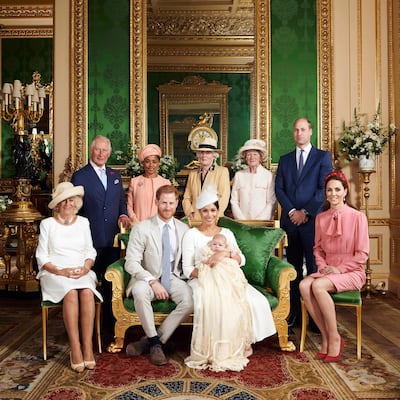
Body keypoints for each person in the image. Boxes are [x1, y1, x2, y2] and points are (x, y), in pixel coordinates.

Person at [182, 185, 276, 370]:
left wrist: (228, 256)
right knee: (213, 301)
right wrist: (209, 273)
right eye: (205, 211)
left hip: (230, 277)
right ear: (199, 212)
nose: (209, 215)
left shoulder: (226, 233)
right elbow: (187, 269)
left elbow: (242, 259)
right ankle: (214, 349)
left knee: (250, 300)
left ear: (218, 212)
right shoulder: (191, 234)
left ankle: (237, 344)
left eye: (213, 210)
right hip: (202, 279)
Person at [299, 171, 369, 362]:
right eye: (329, 190)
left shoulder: (358, 217)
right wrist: (322, 267)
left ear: (345, 191)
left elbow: (362, 254)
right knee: (304, 285)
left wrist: (339, 269)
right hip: (327, 270)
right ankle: (326, 336)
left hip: (351, 271)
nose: (333, 194)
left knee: (318, 286)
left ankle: (335, 337)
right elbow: (318, 249)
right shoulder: (321, 218)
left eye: (337, 189)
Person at [36, 182, 103, 372]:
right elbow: (42, 256)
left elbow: (90, 251)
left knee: (88, 293)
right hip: (54, 272)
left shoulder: (83, 223)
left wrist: (85, 267)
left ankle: (88, 347)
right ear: (57, 204)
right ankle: (75, 348)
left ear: (76, 202)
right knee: (71, 292)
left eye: (71, 200)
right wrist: (61, 271)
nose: (67, 204)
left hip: (81, 270)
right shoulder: (47, 224)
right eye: (63, 200)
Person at [124, 185, 193, 366]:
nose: (167, 207)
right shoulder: (142, 228)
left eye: (171, 203)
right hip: (147, 277)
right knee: (139, 290)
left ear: (177, 203)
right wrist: (152, 281)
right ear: (156, 202)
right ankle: (156, 344)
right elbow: (131, 262)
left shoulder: (184, 229)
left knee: (189, 301)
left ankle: (152, 341)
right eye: (163, 203)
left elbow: (188, 261)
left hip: (173, 277)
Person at [275, 117, 332, 328]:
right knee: (293, 269)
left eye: (303, 129)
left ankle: (317, 319)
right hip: (290, 223)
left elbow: (323, 189)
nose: (299, 133)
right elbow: (279, 189)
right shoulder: (285, 159)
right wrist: (292, 211)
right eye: (296, 130)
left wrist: (305, 212)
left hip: (313, 223)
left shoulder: (322, 157)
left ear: (310, 132)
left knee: (315, 268)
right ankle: (295, 316)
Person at [71, 135, 131, 329]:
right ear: (91, 150)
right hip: (89, 239)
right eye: (98, 149)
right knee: (89, 282)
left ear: (109, 153)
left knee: (111, 282)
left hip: (111, 238)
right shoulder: (80, 176)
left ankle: (109, 324)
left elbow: (121, 201)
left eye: (105, 150)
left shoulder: (115, 176)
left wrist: (123, 215)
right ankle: (88, 325)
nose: (101, 154)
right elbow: (74, 208)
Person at [184, 231, 254, 371]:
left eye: (212, 210)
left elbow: (240, 259)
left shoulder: (227, 236)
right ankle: (208, 349)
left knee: (232, 299)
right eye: (215, 244)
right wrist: (209, 264)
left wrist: (225, 254)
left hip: (227, 274)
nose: (216, 246)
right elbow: (193, 266)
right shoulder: (194, 237)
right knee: (210, 298)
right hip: (207, 275)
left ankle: (228, 348)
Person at [182, 137, 230, 221]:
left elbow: (224, 197)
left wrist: (214, 216)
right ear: (198, 155)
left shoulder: (222, 172)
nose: (204, 156)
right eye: (201, 152)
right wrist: (190, 213)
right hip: (194, 220)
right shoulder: (192, 174)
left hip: (213, 220)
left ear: (214, 155)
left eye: (208, 153)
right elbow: (186, 197)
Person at [231, 139, 276, 220]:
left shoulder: (268, 176)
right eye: (249, 155)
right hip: (242, 223)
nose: (252, 158)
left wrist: (259, 221)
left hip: (262, 223)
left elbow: (271, 201)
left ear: (260, 157)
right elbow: (234, 201)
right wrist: (241, 220)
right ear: (245, 157)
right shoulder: (239, 175)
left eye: (255, 154)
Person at [127, 144, 171, 222]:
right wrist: (136, 222)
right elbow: (129, 206)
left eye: (154, 162)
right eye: (147, 162)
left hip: (159, 227)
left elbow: (168, 207)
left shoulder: (165, 183)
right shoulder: (134, 182)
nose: (151, 165)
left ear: (158, 163)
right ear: (143, 163)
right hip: (138, 226)